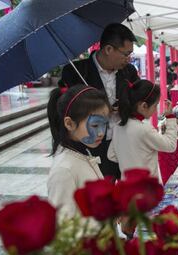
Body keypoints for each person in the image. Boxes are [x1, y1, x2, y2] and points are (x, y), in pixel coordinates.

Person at [60, 23, 140, 180]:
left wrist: (125, 107)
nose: (128, 59)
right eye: (125, 54)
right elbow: (66, 111)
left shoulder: (129, 72)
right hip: (92, 146)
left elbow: (138, 100)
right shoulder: (76, 72)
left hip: (124, 144)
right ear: (109, 49)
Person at [47, 85, 110, 218]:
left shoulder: (82, 152)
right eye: (94, 125)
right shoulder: (64, 170)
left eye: (105, 124)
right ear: (69, 123)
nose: (101, 133)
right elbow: (64, 227)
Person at [108, 80, 177, 181]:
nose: (155, 110)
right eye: (155, 105)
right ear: (144, 106)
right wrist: (170, 117)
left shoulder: (118, 126)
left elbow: (111, 155)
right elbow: (170, 145)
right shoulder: (144, 129)